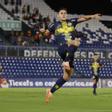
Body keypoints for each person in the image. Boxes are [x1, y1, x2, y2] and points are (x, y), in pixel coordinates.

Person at [40, 8, 101, 103]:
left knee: (66, 77)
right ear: (58, 15)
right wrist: (43, 32)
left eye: (65, 13)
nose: (63, 14)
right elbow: (46, 34)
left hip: (69, 51)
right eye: (61, 13)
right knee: (76, 42)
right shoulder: (53, 25)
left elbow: (83, 18)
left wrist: (93, 16)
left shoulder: (72, 21)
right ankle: (66, 62)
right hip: (62, 48)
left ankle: (50, 91)